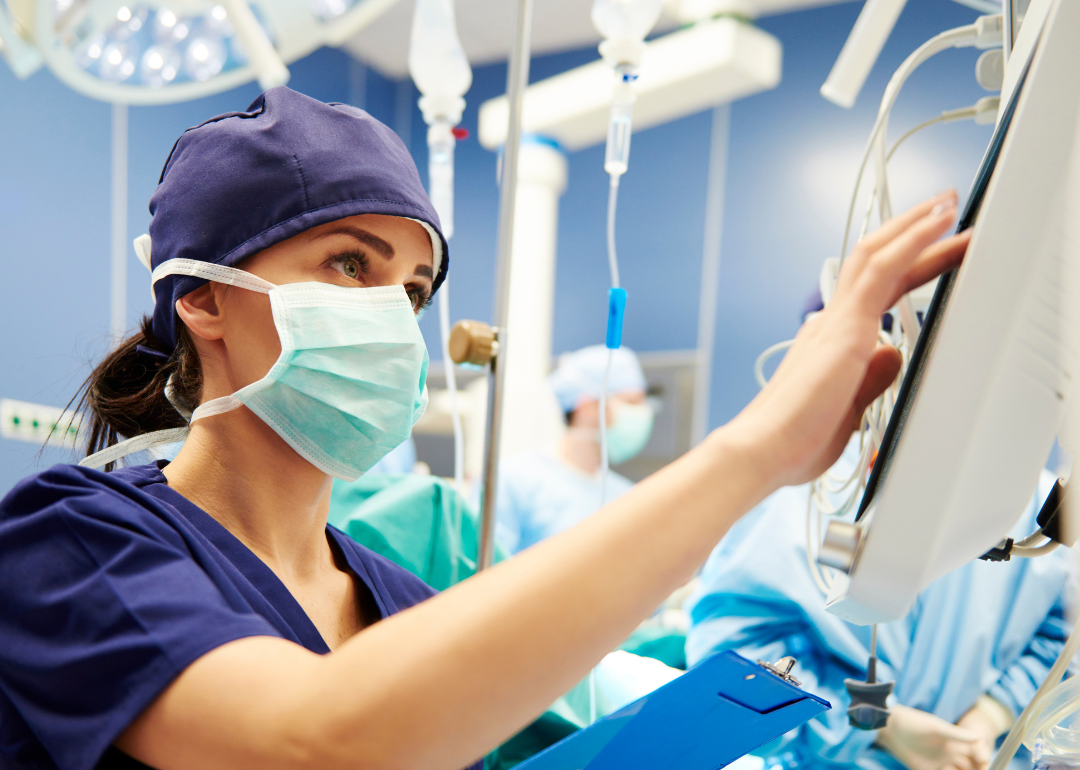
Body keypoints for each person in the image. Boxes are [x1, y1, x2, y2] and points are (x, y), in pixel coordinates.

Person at [0, 83, 970, 770]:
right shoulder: (75, 540)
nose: (393, 312)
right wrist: (757, 450)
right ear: (206, 297)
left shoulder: (397, 598)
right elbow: (318, 741)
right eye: (350, 264)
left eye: (412, 286)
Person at [685, 437, 1073, 770]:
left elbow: (1064, 637)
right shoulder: (818, 492)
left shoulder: (1039, 520)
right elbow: (733, 663)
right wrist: (874, 724)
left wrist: (991, 715)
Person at [490, 344, 652, 554]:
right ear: (587, 407)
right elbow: (484, 575)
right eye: (631, 402)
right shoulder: (512, 481)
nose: (642, 413)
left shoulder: (627, 497)